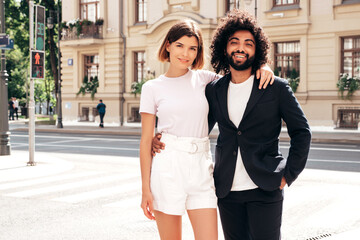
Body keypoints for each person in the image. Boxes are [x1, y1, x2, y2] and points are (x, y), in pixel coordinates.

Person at [139, 19, 274, 240]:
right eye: (180, 45)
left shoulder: (207, 80)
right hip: (168, 166)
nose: (186, 54)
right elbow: (145, 141)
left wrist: (262, 64)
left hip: (201, 166)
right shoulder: (152, 88)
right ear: (168, 46)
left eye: (193, 48)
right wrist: (146, 189)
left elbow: (241, 76)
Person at [205, 9, 312, 239]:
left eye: (248, 43)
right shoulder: (214, 90)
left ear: (257, 50)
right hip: (227, 191)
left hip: (265, 187)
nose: (240, 48)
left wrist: (288, 174)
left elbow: (302, 132)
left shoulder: (276, 87)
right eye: (234, 42)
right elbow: (198, 129)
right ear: (225, 48)